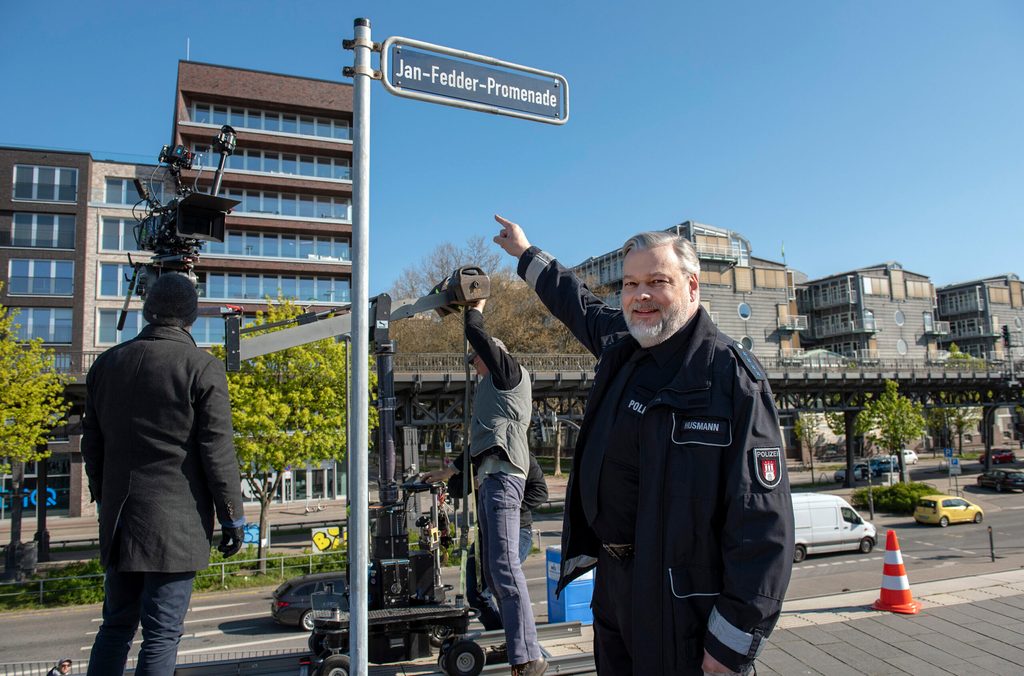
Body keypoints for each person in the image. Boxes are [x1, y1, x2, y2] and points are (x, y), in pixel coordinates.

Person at [492, 215, 794, 676]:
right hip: (614, 589)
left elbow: (763, 523)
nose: (641, 296)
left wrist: (732, 643)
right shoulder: (623, 344)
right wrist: (526, 252)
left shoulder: (731, 379)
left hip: (682, 607)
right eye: (631, 284)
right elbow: (576, 303)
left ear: (692, 287)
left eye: (657, 281)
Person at [81, 272, 246, 676]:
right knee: (161, 634)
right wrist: (233, 518)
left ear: (146, 310)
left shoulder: (107, 363)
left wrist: (105, 500)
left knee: (115, 626)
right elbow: (217, 452)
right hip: (175, 526)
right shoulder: (201, 367)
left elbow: (92, 446)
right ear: (191, 317)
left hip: (120, 523)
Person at [422, 298, 547, 676]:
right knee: (493, 574)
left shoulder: (507, 373)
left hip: (504, 480)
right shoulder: (490, 392)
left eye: (475, 360)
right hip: (491, 480)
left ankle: (528, 657)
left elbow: (476, 333)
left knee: (505, 570)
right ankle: (521, 648)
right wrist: (450, 475)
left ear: (492, 357)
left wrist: (475, 306)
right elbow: (480, 445)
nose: (473, 366)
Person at [448, 452, 549, 631]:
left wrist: (508, 508)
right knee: (476, 594)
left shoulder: (520, 455)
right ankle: (501, 634)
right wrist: (469, 479)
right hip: (485, 534)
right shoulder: (478, 458)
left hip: (517, 531)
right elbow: (455, 489)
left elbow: (540, 491)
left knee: (503, 583)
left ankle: (517, 637)